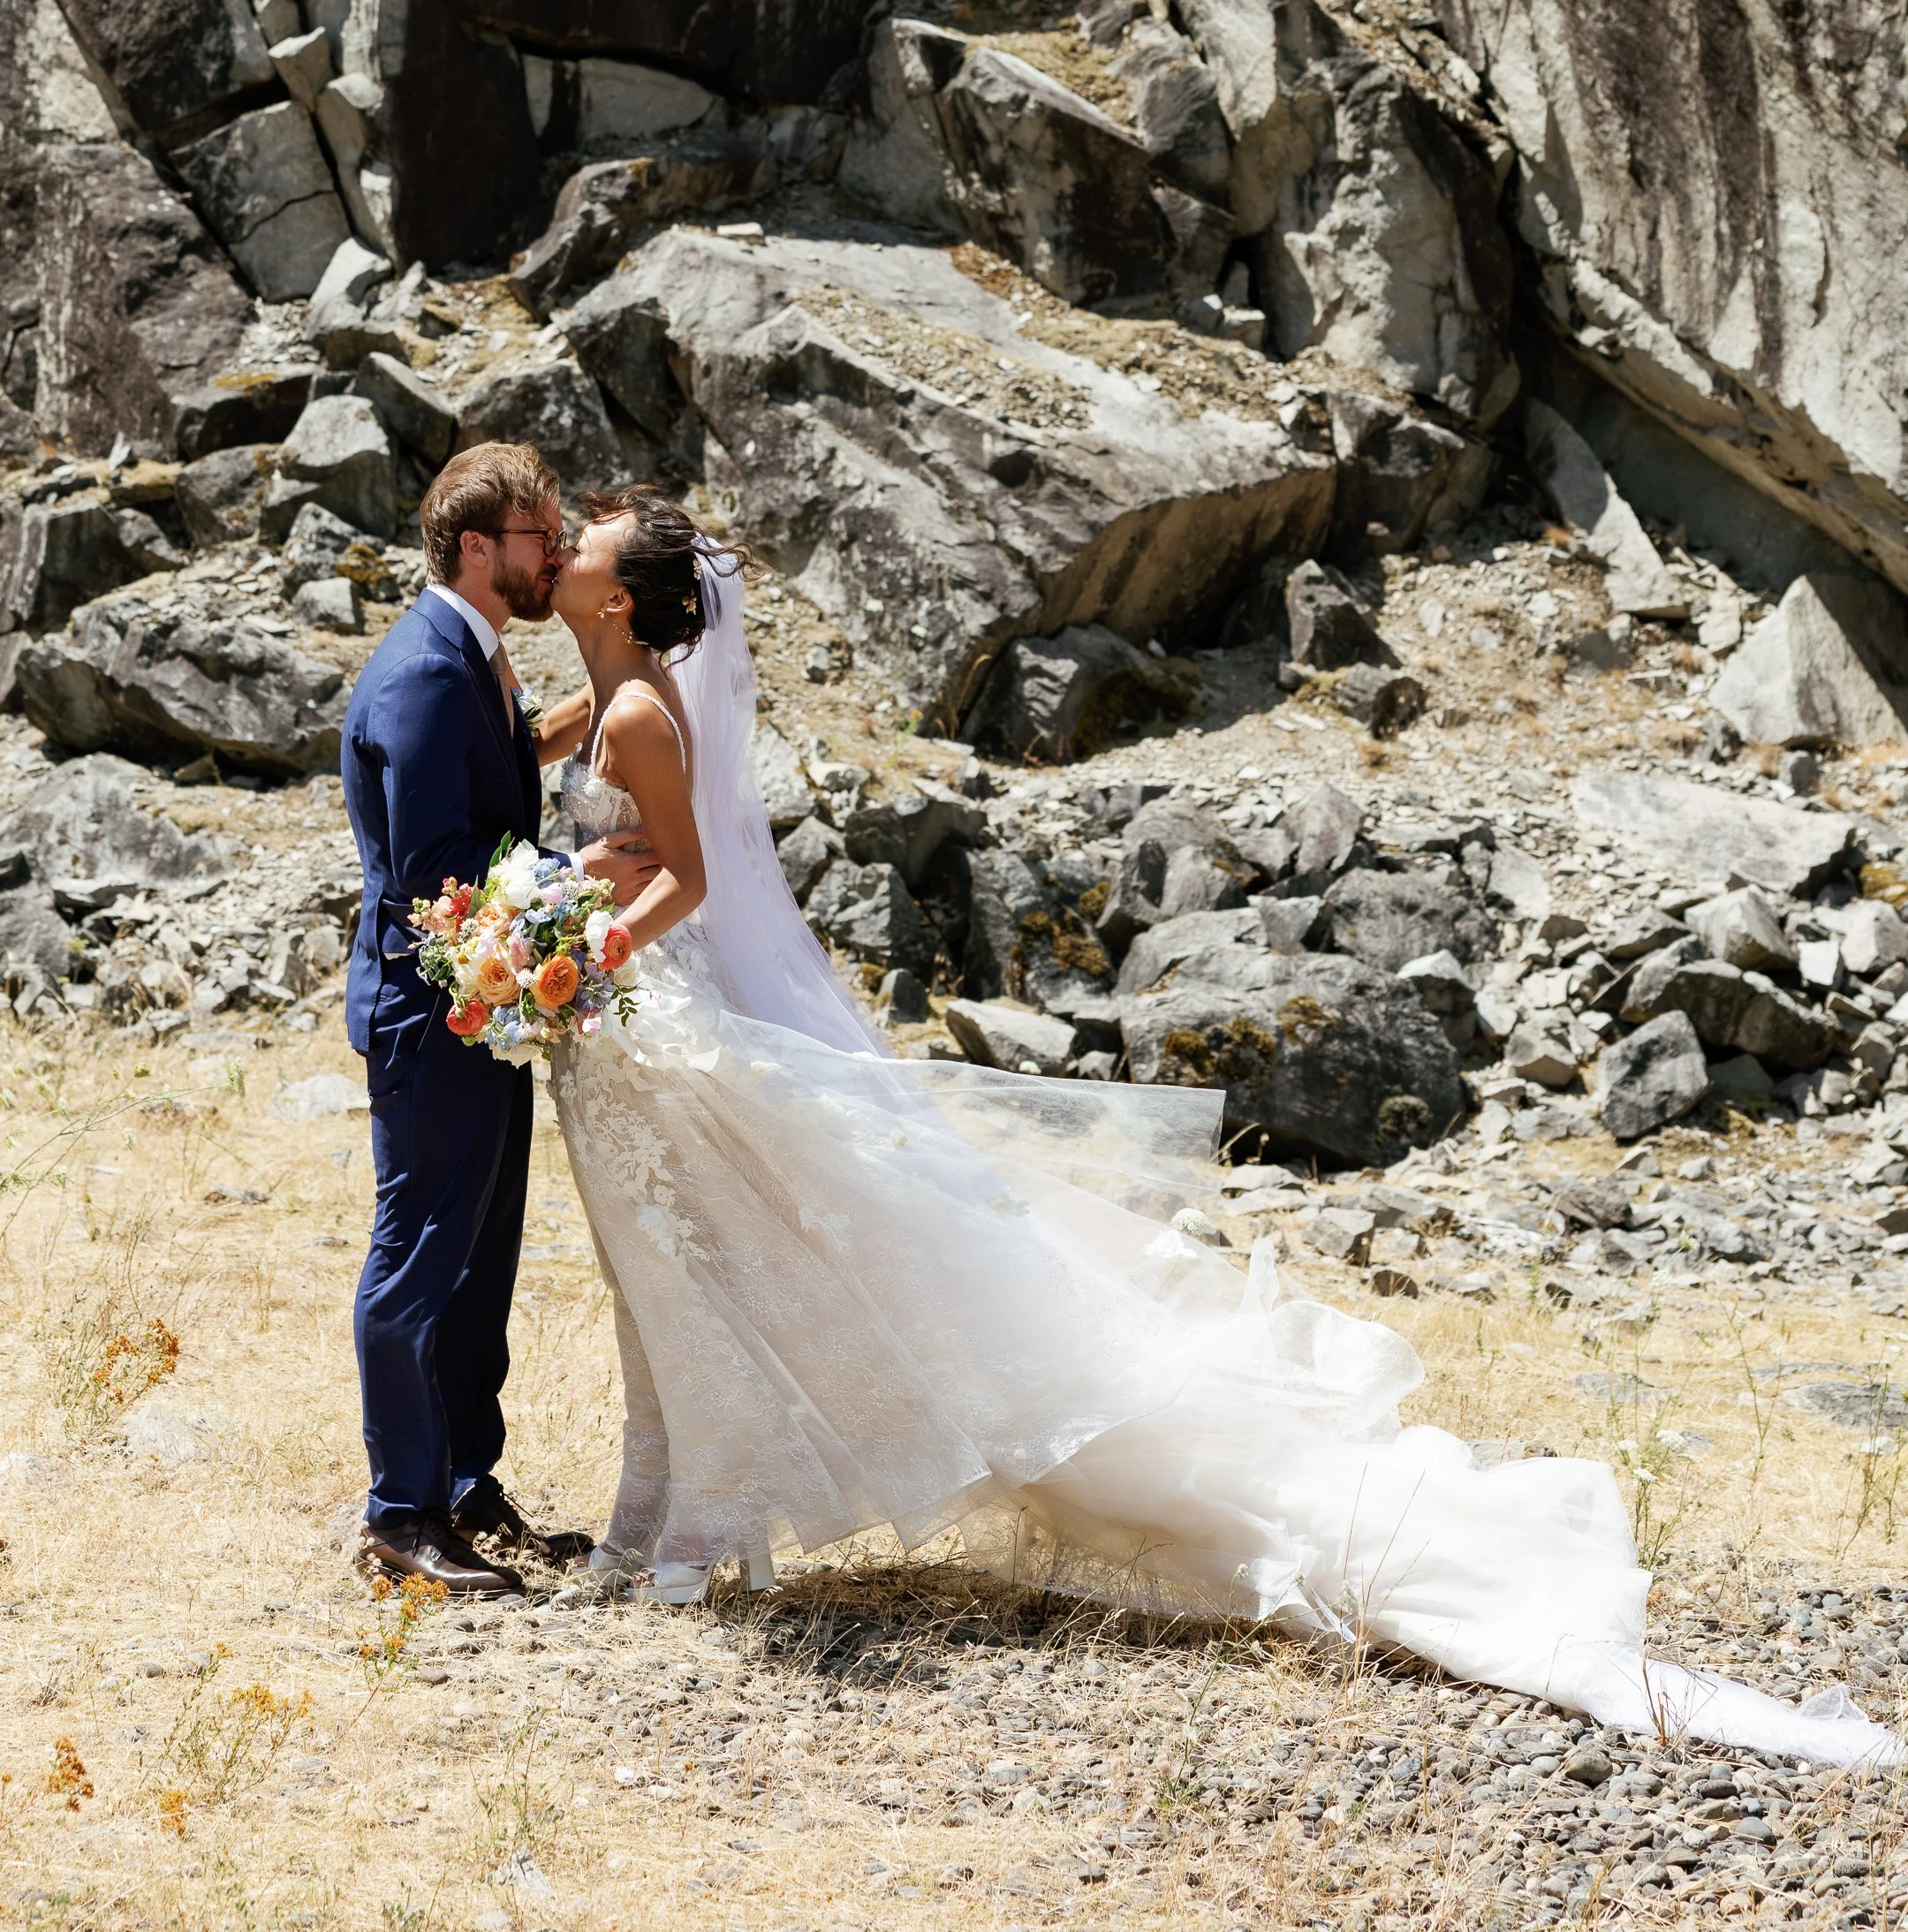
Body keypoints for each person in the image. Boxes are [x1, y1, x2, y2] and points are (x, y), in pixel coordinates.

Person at [524, 488, 1892, 1766]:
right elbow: (601, 823)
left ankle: (691, 1531)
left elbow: (690, 878)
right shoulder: (603, 697)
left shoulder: (642, 712)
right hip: (634, 1033)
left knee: (732, 1272)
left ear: (626, 597)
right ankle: (670, 1524)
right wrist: (560, 898)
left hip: (654, 1017)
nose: (567, 539)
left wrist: (579, 951)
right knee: (678, 1278)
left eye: (586, 538)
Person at [339, 443, 655, 1598]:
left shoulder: (470, 659)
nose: (556, 553)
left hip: (480, 1010)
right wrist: (580, 870)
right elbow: (436, 868)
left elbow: (483, 784)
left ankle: (466, 1485)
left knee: (479, 1266)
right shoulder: (427, 674)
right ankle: (401, 1514)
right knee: (421, 1259)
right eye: (539, 537)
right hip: (432, 1017)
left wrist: (577, 721)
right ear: (480, 548)